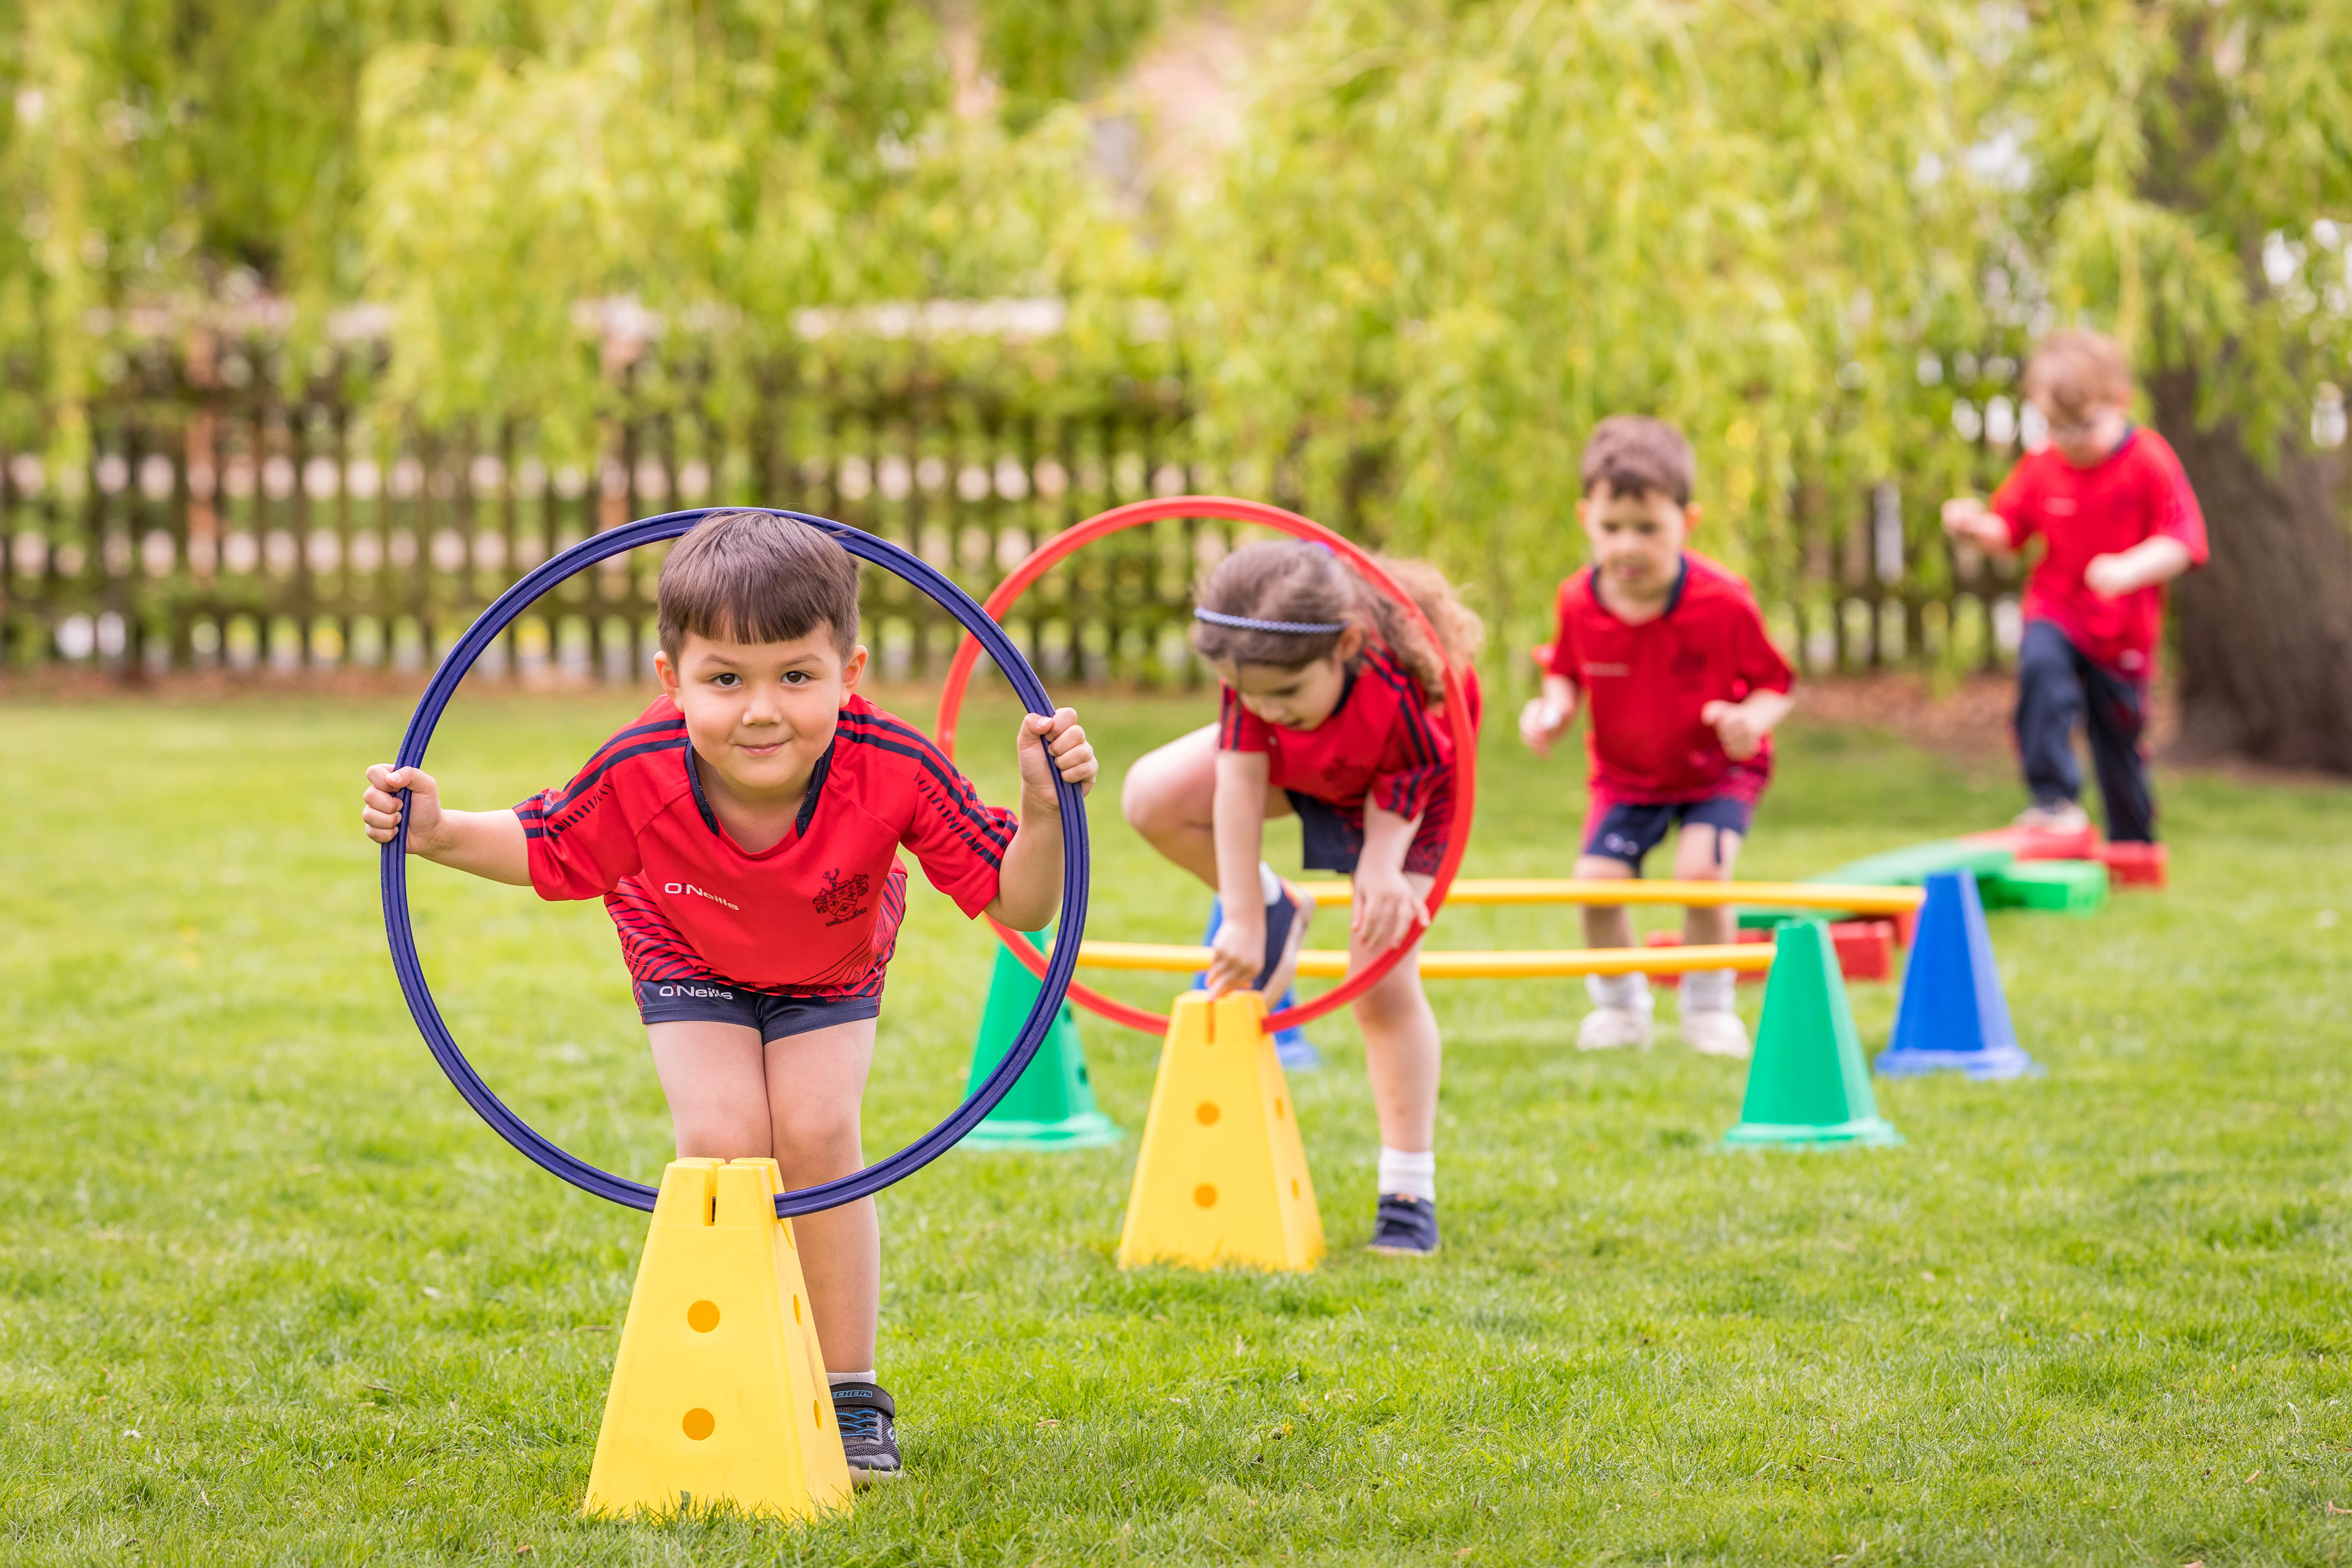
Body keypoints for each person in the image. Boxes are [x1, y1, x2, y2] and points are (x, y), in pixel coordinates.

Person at [359, 510, 1096, 1485]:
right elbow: (546, 844)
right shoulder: (640, 765)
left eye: (796, 676)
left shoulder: (897, 765)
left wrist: (1044, 812)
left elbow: (1023, 896)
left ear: (850, 670)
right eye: (725, 679)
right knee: (721, 1136)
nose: (760, 710)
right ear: (672, 681)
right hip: (682, 943)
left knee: (818, 1129)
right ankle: (743, 1365)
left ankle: (847, 1388)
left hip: (830, 963)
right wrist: (438, 831)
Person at [1121, 541, 1483, 1257]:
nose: (1266, 710)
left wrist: (1382, 864)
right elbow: (1241, 779)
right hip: (1316, 764)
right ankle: (1278, 903)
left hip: (1413, 791)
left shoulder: (1399, 674)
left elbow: (1409, 774)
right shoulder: (1257, 667)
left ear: (1347, 646)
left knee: (1379, 977)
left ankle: (1408, 1192)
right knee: (1150, 795)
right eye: (1252, 696)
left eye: (1285, 695)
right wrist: (1245, 914)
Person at [1519, 415, 1795, 1059]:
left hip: (1716, 772)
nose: (1628, 546)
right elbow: (1562, 674)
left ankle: (1708, 1009)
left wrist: (1748, 721)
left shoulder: (1721, 600)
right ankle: (1619, 1009)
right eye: (1612, 528)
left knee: (1699, 874)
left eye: (1649, 528)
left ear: (1686, 521)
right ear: (1586, 517)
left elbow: (1775, 684)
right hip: (1626, 776)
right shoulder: (1577, 602)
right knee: (1595, 882)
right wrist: (1551, 711)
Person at [1941, 328, 2207, 841]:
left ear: (2119, 403)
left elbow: (2185, 539)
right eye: (2054, 427)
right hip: (2057, 609)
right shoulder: (2043, 463)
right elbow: (2010, 530)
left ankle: (2133, 847)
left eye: (2082, 426)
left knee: (2118, 741)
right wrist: (1975, 529)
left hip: (2122, 632)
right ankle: (2053, 799)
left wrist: (2128, 568)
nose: (2068, 441)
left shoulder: (2148, 460)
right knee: (2040, 673)